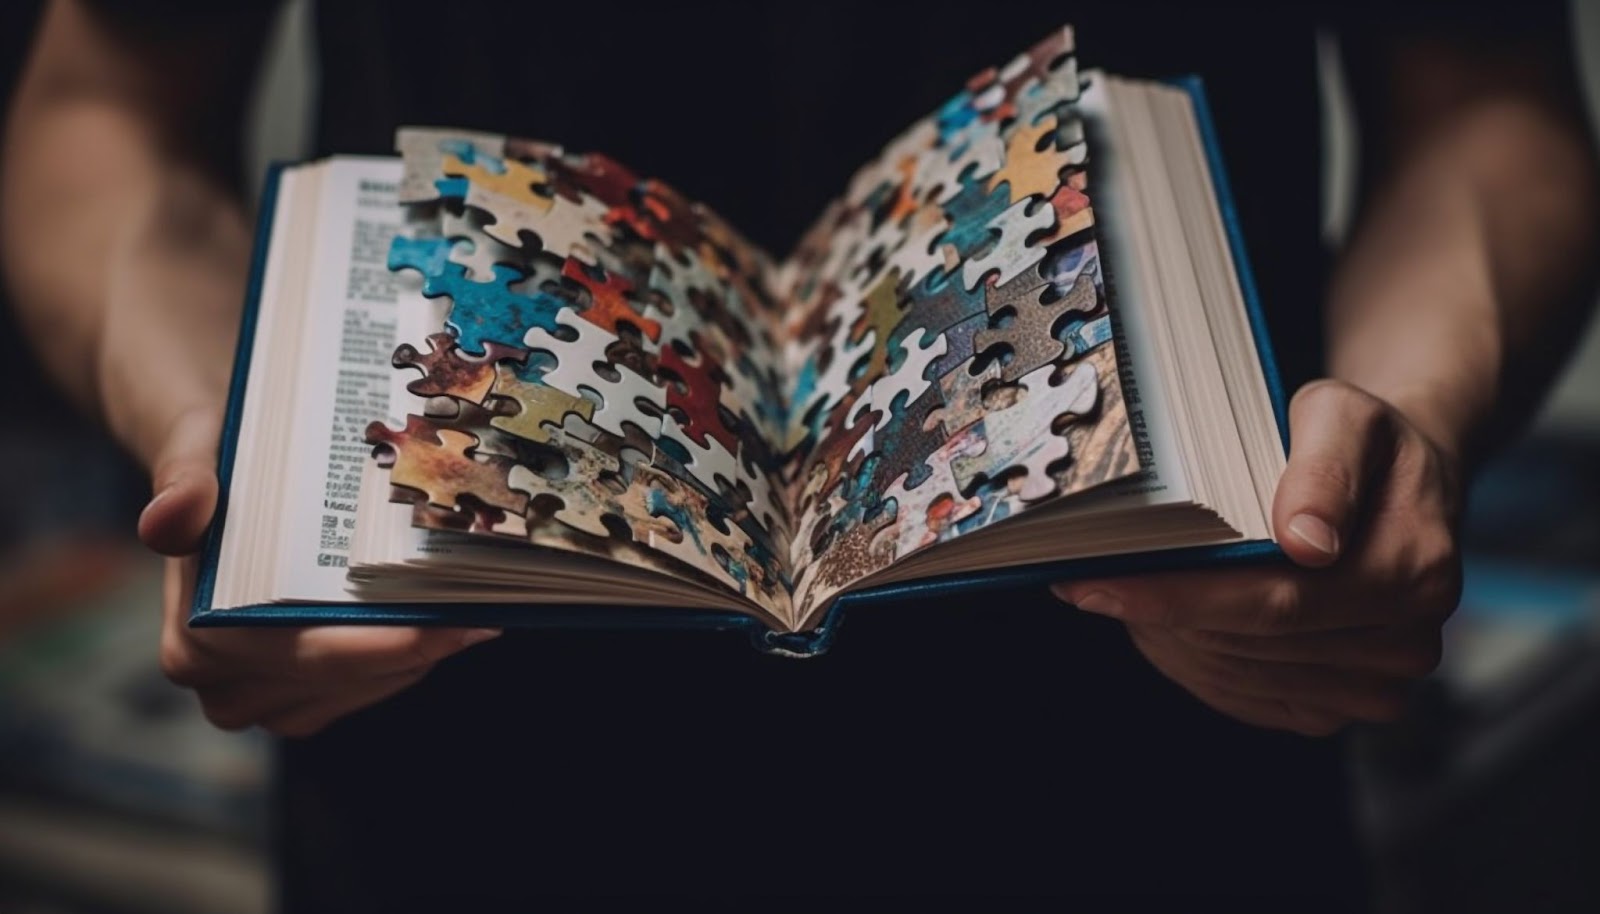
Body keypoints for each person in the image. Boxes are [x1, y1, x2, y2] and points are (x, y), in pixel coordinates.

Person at [4, 0, 1596, 905]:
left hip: (1165, 751)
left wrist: (1413, 417)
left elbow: (1482, 101)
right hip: (467, 778)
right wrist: (215, 432)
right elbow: (106, 110)